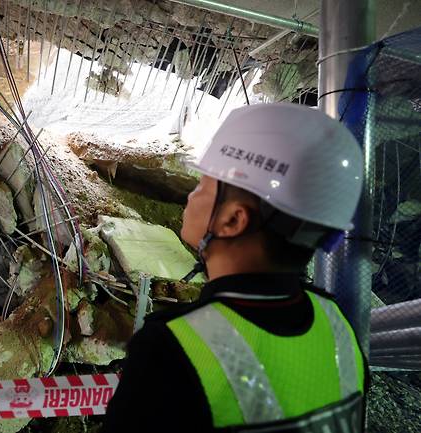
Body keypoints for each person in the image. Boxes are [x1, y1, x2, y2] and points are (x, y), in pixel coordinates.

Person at [101, 103, 368, 433]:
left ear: (231, 220)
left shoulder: (172, 347)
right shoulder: (338, 326)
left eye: (203, 185)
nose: (192, 196)